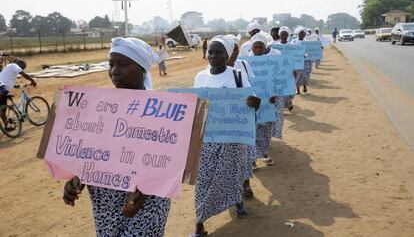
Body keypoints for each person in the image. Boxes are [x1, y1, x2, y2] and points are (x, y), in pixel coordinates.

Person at [62, 37, 171, 237]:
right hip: (105, 203)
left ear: (142, 69)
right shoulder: (100, 107)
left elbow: (168, 160)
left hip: (144, 202)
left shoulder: (160, 110)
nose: (114, 71)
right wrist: (78, 178)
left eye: (123, 64)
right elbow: (93, 152)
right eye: (111, 64)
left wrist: (143, 192)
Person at [192, 35, 260, 237]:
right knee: (203, 179)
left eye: (218, 51)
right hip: (208, 139)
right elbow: (197, 106)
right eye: (210, 51)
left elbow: (251, 102)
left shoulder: (237, 76)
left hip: (232, 138)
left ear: (227, 55)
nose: (213, 55)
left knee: (233, 174)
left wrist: (254, 103)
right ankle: (199, 222)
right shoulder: (200, 77)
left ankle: (237, 201)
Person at [249, 33, 282, 168]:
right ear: (251, 48)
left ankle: (264, 154)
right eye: (255, 47)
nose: (257, 49)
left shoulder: (271, 63)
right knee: (252, 130)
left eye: (260, 47)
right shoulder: (245, 63)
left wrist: (275, 94)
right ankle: (251, 159)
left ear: (265, 48)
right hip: (251, 102)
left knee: (266, 129)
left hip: (268, 100)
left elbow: (278, 79)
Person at [0, 59, 37, 130]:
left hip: (3, 88)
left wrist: (18, 86)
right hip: (2, 89)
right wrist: (32, 80)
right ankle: (7, 124)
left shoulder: (9, 68)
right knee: (2, 110)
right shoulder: (14, 65)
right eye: (23, 67)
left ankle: (7, 126)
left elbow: (7, 80)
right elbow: (24, 74)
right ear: (20, 64)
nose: (22, 69)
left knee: (3, 109)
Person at [291, 27, 307, 94]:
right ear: (298, 34)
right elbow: (291, 49)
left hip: (305, 60)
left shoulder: (306, 42)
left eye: (303, 34)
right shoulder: (294, 41)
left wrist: (305, 56)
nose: (302, 35)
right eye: (300, 33)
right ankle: (297, 89)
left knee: (304, 75)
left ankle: (304, 86)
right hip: (296, 61)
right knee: (297, 75)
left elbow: (309, 51)